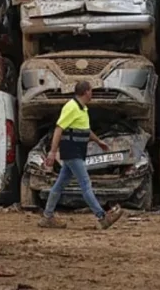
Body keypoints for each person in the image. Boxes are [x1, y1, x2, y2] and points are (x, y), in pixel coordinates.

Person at [38, 80, 124, 229]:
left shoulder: (82, 109)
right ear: (86, 92)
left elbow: (84, 130)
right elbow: (59, 129)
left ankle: (47, 216)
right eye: (91, 91)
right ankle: (102, 217)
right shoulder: (71, 107)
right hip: (72, 152)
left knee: (59, 185)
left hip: (77, 152)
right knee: (85, 184)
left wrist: (98, 141)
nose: (92, 94)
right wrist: (52, 152)